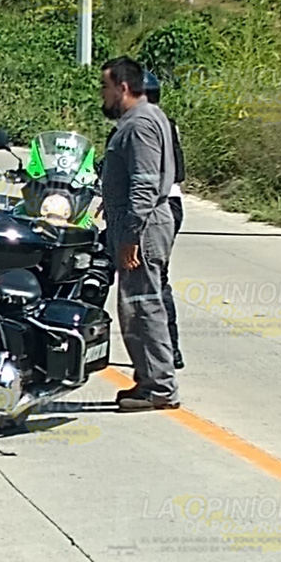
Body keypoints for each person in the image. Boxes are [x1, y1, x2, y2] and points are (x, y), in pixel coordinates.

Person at [98, 56, 181, 412]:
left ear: (123, 87)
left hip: (142, 229)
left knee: (144, 306)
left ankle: (159, 387)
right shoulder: (145, 118)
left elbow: (145, 184)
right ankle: (148, 380)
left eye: (105, 87)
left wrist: (131, 235)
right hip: (136, 223)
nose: (102, 95)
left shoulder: (140, 124)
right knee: (137, 306)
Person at [144, 70, 187, 370]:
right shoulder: (163, 122)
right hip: (167, 203)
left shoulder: (147, 125)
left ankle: (169, 351)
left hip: (156, 206)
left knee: (156, 280)